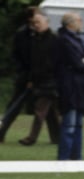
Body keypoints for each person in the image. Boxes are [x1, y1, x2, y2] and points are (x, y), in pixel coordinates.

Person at [54, 12, 84, 160]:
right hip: (70, 87)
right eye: (79, 20)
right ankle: (64, 157)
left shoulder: (76, 39)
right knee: (69, 125)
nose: (81, 22)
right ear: (70, 23)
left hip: (78, 87)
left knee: (78, 124)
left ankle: (76, 156)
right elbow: (78, 62)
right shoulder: (64, 40)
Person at [18, 11, 60, 146]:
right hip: (39, 80)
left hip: (50, 80)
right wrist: (31, 79)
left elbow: (54, 61)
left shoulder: (54, 39)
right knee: (51, 113)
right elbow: (33, 61)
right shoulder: (35, 39)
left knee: (40, 110)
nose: (36, 25)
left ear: (46, 22)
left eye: (38, 22)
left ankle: (32, 138)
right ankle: (58, 138)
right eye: (34, 23)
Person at [0, 6, 36, 142]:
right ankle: (2, 131)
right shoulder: (22, 34)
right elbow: (20, 55)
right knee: (16, 104)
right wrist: (25, 72)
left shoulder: (38, 33)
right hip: (25, 74)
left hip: (36, 74)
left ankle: (56, 136)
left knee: (47, 108)